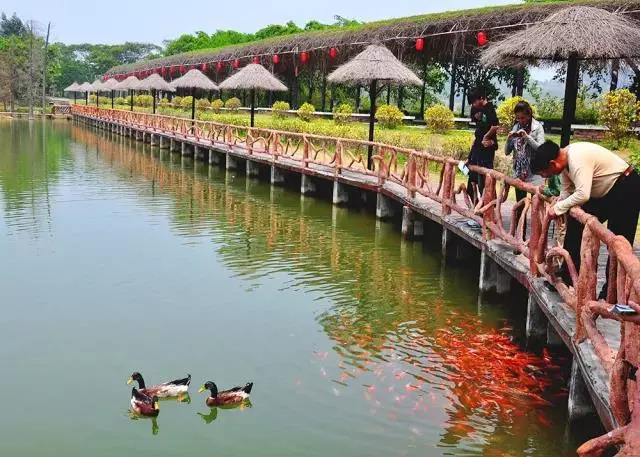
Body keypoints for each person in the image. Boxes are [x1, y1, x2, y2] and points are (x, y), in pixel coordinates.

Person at [531, 140, 640, 299]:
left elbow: (583, 194)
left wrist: (558, 209)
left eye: (544, 173)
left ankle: (612, 293)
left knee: (618, 242)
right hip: (606, 192)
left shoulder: (577, 158)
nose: (545, 177)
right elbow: (567, 191)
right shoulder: (564, 162)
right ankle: (569, 277)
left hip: (625, 187)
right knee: (576, 223)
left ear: (552, 163)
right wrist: (560, 203)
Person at [504, 100, 545, 233]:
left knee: (536, 208)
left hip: (535, 174)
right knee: (520, 205)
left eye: (522, 117)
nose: (520, 120)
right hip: (519, 173)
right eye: (518, 118)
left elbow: (541, 149)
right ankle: (518, 236)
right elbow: (506, 151)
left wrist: (527, 137)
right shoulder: (516, 127)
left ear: (529, 114)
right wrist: (509, 139)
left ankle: (536, 240)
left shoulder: (537, 127)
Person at [465, 88, 499, 204]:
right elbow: (477, 132)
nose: (474, 106)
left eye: (474, 102)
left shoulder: (490, 109)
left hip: (486, 151)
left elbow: (495, 126)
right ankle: (476, 210)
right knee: (471, 184)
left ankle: (489, 211)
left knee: (486, 183)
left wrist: (486, 137)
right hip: (476, 150)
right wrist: (469, 157)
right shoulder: (475, 109)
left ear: (481, 98)